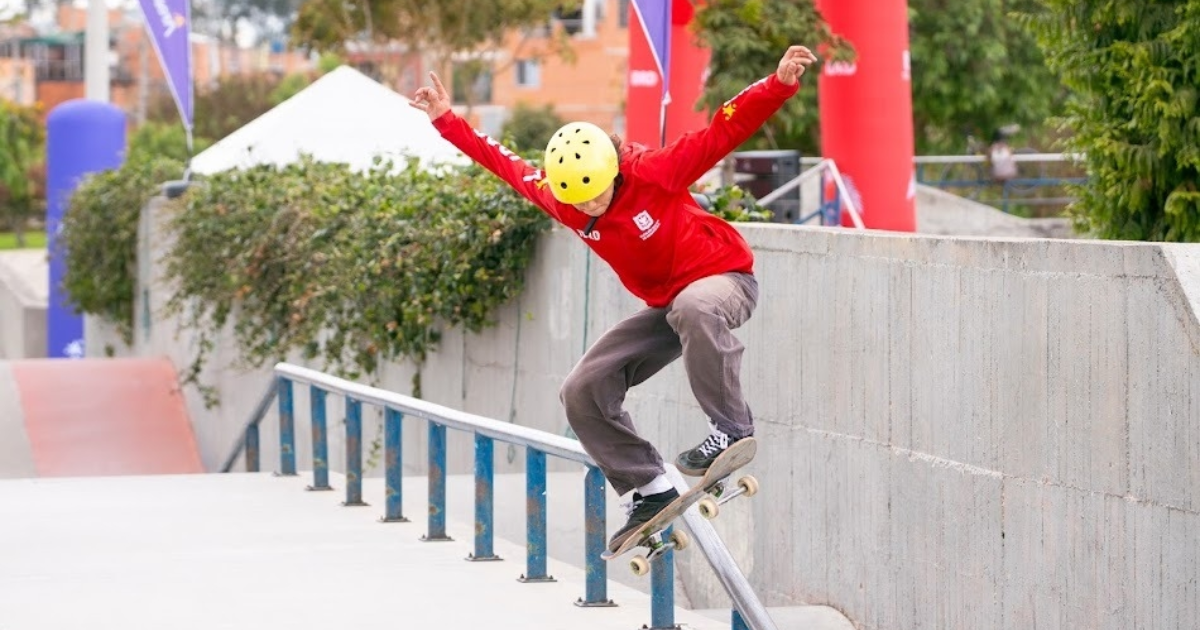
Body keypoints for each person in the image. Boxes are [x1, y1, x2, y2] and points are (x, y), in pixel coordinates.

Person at [410, 45, 818, 550]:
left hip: (725, 280)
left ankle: (731, 428)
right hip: (666, 308)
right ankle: (649, 485)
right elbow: (502, 162)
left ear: (615, 173)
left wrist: (775, 84)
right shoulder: (564, 201)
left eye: (598, 195)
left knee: (695, 306)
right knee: (581, 388)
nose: (589, 206)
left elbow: (721, 132)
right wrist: (446, 120)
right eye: (578, 200)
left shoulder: (655, 171)